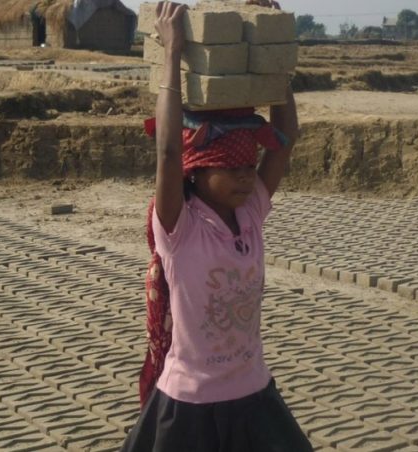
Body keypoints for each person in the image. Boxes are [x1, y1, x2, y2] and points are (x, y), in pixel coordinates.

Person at [121, 2, 313, 451]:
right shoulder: (180, 228)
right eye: (233, 168)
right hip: (191, 404)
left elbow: (285, 141)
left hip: (253, 393)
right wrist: (172, 53)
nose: (247, 177)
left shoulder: (250, 214)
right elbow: (168, 151)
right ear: (198, 171)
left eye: (249, 165)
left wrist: (273, 60)